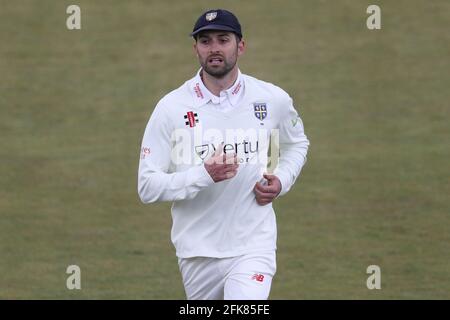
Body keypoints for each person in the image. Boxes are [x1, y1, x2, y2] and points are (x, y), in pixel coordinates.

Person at [138, 9, 309, 300]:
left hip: (253, 243)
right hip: (196, 251)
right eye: (205, 41)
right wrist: (203, 175)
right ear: (195, 49)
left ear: (240, 46)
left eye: (223, 39)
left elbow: (297, 143)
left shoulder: (271, 98)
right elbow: (147, 187)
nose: (214, 48)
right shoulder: (171, 108)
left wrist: (281, 179)